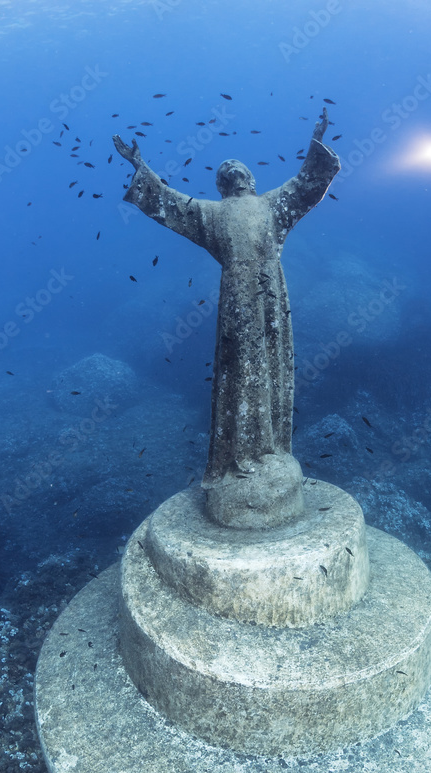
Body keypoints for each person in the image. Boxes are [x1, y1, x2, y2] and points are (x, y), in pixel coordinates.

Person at [113, 110, 340, 527]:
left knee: (272, 366)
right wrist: (139, 165)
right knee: (241, 372)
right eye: (226, 169)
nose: (233, 169)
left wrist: (316, 139)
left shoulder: (272, 204)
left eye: (238, 166)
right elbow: (168, 201)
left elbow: (308, 182)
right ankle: (241, 454)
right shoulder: (211, 214)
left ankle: (271, 447)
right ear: (223, 186)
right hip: (239, 303)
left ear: (249, 179)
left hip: (272, 298)